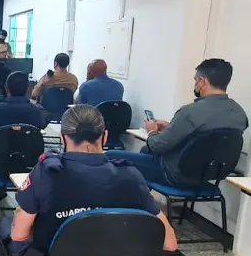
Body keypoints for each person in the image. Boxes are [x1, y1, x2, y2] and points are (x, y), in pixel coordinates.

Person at [0, 105, 177, 256]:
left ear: (62, 138)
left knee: (5, 229)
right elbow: (170, 243)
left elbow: (19, 236)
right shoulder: (131, 176)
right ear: (105, 136)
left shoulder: (47, 173)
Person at [106, 58, 248, 188]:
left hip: (174, 174)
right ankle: (142, 197)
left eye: (196, 80)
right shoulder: (239, 113)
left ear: (203, 82)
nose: (195, 84)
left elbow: (156, 145)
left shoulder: (190, 112)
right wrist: (171, 127)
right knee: (145, 151)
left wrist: (152, 131)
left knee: (111, 155)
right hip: (208, 176)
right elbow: (210, 136)